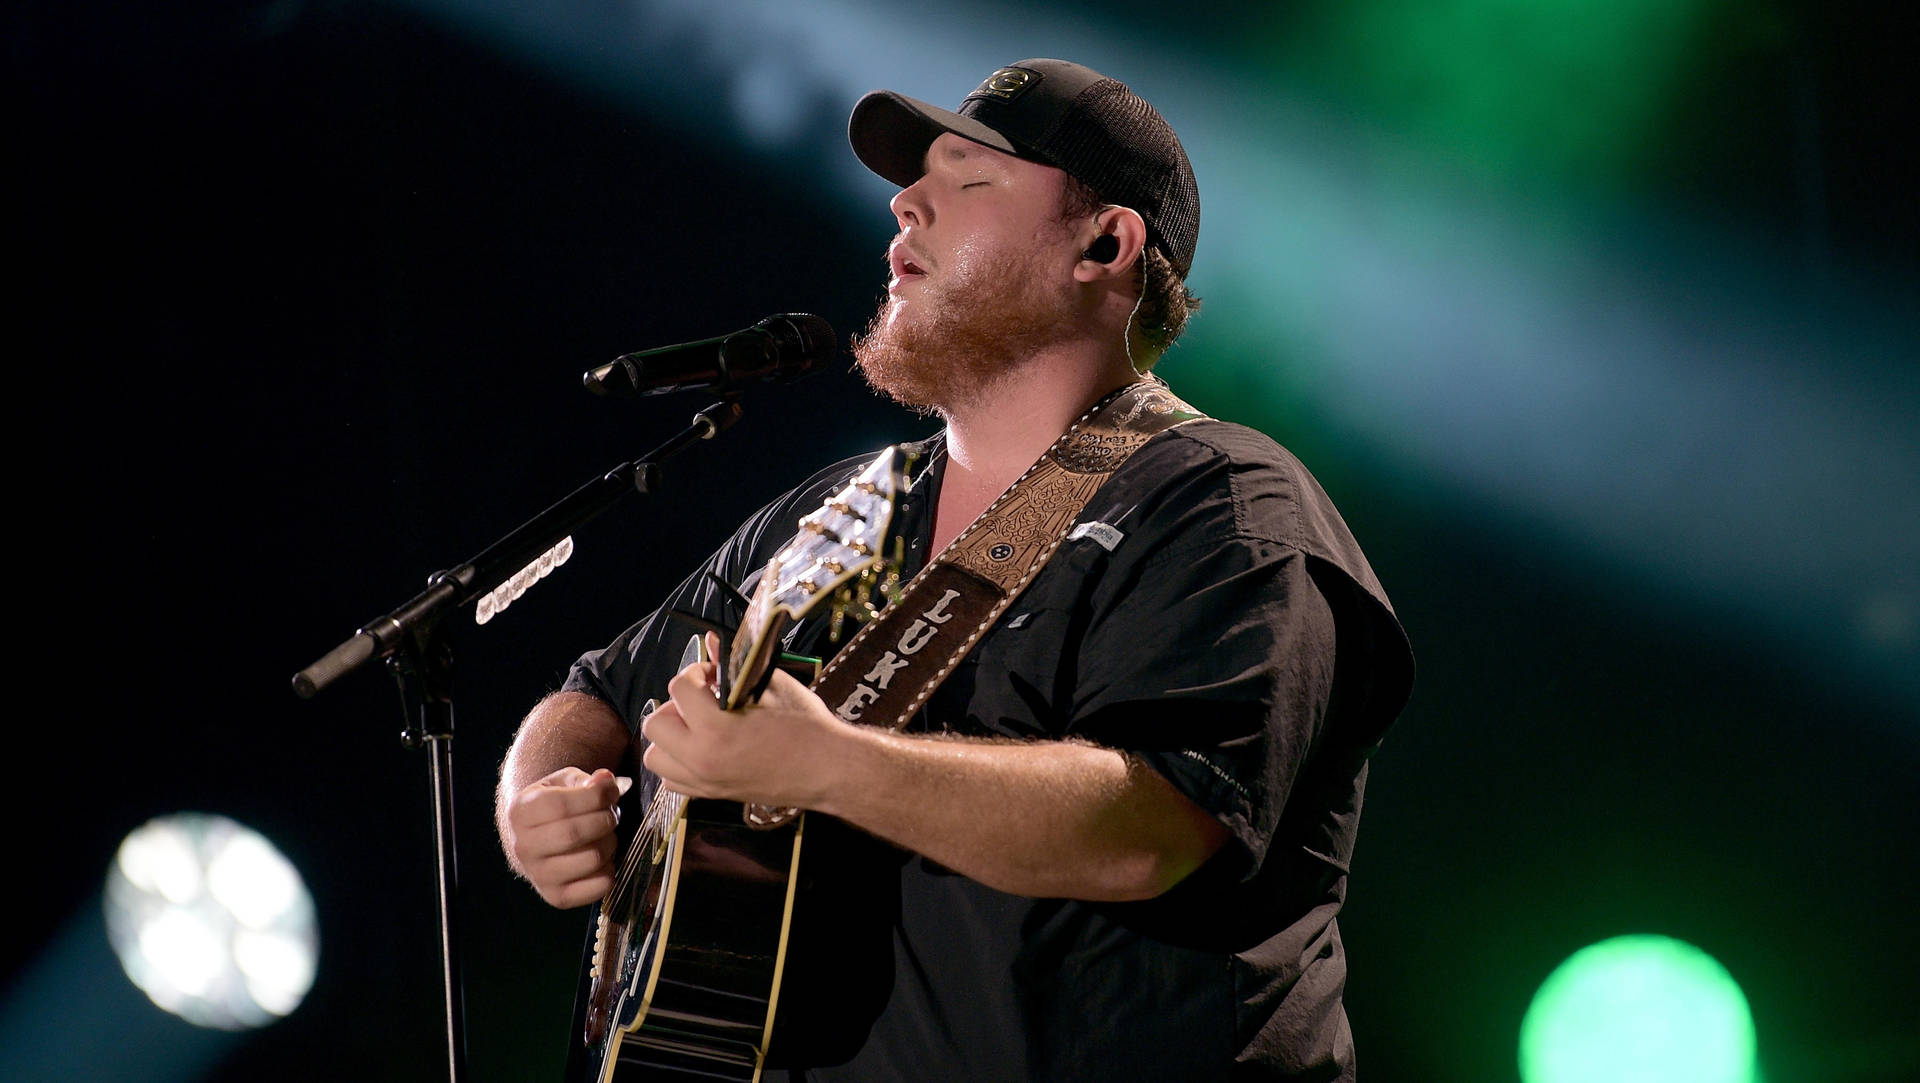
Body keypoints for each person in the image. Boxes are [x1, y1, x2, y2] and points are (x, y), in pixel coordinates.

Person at [496, 58, 1414, 1081]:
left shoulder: (1226, 503)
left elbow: (1149, 829)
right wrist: (542, 807)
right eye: (915, 178)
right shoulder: (835, 513)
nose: (905, 202)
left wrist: (828, 764)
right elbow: (593, 695)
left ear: (1104, 243)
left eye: (969, 179)